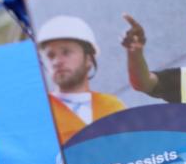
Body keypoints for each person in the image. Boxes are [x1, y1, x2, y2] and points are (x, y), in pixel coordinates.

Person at [37, 16, 125, 144]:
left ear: (89, 59)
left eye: (66, 52)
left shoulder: (113, 106)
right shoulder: (41, 112)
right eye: (50, 56)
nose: (56, 62)